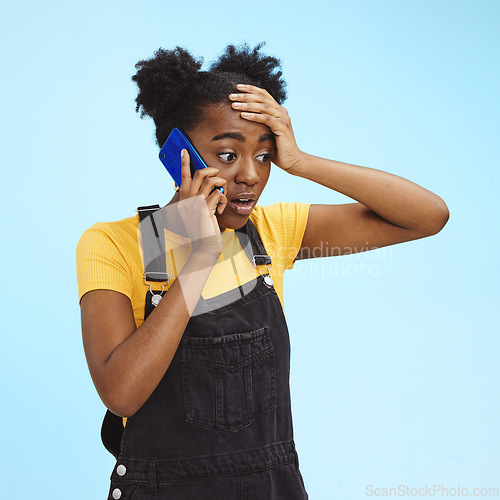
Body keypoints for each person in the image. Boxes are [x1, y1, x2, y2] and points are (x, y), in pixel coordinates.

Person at [76, 42, 449, 500]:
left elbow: (427, 216)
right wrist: (199, 260)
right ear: (179, 153)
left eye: (265, 155)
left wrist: (301, 161)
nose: (251, 175)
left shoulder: (272, 232)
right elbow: (122, 393)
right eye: (228, 155)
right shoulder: (117, 243)